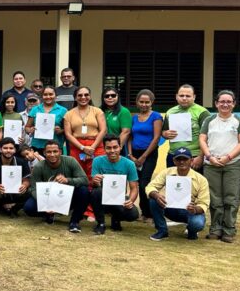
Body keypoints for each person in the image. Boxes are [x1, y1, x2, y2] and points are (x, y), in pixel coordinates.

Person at [198, 90, 240, 243]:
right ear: (216, 104)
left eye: (229, 101)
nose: (225, 104)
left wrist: (228, 157)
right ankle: (215, 228)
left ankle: (229, 229)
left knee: (231, 197)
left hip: (233, 165)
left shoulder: (239, 121)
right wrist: (209, 156)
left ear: (233, 104)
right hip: (211, 165)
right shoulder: (209, 120)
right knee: (214, 198)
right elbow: (202, 139)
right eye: (222, 101)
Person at [23, 140, 89, 231]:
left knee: (83, 191)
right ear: (44, 153)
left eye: (55, 151)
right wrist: (45, 204)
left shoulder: (70, 161)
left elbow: (85, 180)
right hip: (47, 197)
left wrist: (67, 180)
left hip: (68, 197)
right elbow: (33, 188)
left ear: (60, 152)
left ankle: (74, 222)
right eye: (49, 152)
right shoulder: (39, 167)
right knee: (29, 207)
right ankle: (48, 214)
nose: (52, 154)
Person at [146, 147, 210, 241]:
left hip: (189, 211)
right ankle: (162, 231)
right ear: (174, 161)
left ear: (191, 160)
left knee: (197, 223)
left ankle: (192, 231)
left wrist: (195, 209)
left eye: (185, 159)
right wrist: (156, 195)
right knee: (153, 199)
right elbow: (150, 187)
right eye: (178, 159)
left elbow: (204, 203)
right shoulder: (167, 172)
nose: (181, 162)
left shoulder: (201, 179)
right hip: (170, 208)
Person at [89, 134, 140, 234]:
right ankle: (101, 223)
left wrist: (130, 201)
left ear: (120, 147)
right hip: (102, 197)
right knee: (95, 192)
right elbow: (93, 185)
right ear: (104, 148)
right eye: (108, 148)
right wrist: (95, 181)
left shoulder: (129, 164)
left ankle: (116, 219)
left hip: (119, 198)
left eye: (115, 147)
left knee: (133, 214)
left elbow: (134, 188)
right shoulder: (97, 161)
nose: (112, 151)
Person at [127, 89, 163, 222]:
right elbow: (130, 136)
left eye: (147, 102)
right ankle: (143, 212)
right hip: (134, 154)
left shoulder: (156, 116)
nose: (144, 104)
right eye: (141, 102)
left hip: (149, 153)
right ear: (137, 102)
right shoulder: (134, 117)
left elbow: (156, 138)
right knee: (136, 183)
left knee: (144, 183)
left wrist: (143, 157)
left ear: (152, 102)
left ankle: (150, 214)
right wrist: (130, 154)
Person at [161, 84, 210, 168]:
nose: (184, 98)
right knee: (173, 181)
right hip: (173, 154)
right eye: (181, 95)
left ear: (194, 97)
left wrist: (201, 157)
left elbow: (208, 136)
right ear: (176, 96)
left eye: (188, 96)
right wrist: (165, 134)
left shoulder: (202, 112)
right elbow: (164, 131)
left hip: (194, 156)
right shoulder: (170, 112)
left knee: (194, 181)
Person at [64, 86, 107, 179]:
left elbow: (103, 130)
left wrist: (92, 148)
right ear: (75, 97)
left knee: (96, 174)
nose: (83, 97)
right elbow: (68, 134)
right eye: (80, 95)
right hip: (77, 146)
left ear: (90, 96)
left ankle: (95, 193)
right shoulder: (69, 114)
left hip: (95, 145)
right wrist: (83, 148)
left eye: (86, 95)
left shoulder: (97, 111)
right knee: (79, 174)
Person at [0, 137, 30, 217]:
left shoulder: (22, 162)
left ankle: (13, 208)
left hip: (15, 191)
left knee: (29, 192)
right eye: (5, 148)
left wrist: (24, 185)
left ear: (15, 150)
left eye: (11, 148)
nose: (8, 150)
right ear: (0, 150)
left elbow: (26, 180)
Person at [25, 86, 67, 157]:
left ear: (55, 96)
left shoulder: (63, 110)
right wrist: (31, 130)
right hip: (37, 146)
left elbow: (67, 129)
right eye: (45, 94)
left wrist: (61, 131)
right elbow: (27, 128)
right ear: (42, 96)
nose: (48, 97)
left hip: (55, 147)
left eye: (51, 94)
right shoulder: (35, 109)